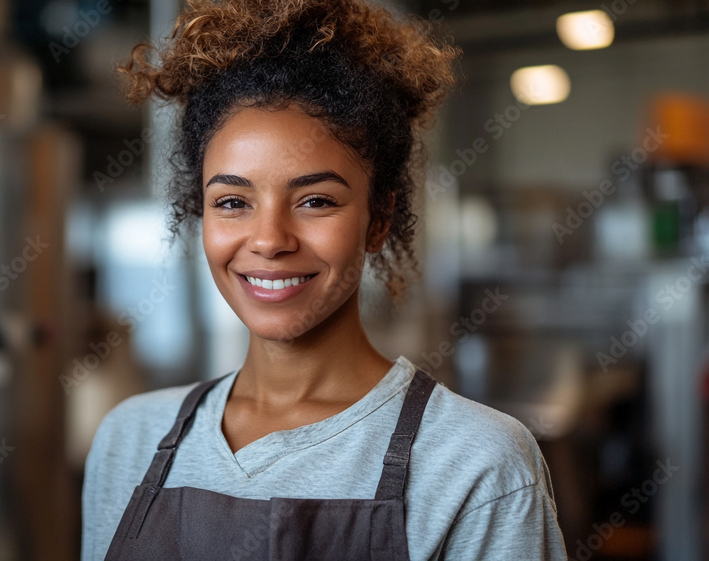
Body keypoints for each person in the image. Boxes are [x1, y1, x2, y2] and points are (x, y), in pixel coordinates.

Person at [82, 0, 569, 559]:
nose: (269, 240)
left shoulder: (478, 463)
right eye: (234, 201)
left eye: (315, 200)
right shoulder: (130, 441)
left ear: (378, 219)